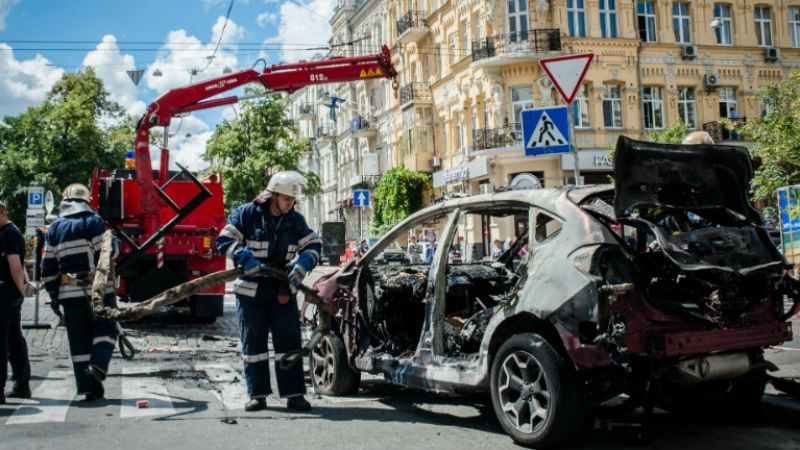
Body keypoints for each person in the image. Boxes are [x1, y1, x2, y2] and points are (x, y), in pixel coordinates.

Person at [216, 170, 321, 413]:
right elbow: (224, 240)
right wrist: (244, 258)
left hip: (282, 289)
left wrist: (303, 264)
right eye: (287, 199)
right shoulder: (247, 214)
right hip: (250, 292)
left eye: (293, 200)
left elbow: (313, 245)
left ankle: (294, 395)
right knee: (253, 343)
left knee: (289, 342)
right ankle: (258, 395)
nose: (291, 203)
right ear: (273, 196)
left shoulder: (295, 220)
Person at [41, 184, 120, 401]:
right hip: (98, 291)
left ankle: (88, 389)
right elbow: (107, 253)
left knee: (79, 340)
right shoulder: (94, 222)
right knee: (107, 328)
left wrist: (54, 295)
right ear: (86, 201)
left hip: (69, 293)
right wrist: (116, 243)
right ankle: (97, 366)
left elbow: (48, 267)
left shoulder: (55, 228)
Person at [0, 201, 32, 404]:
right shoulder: (10, 232)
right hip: (10, 293)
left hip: (5, 293)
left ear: (3, 213)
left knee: (4, 340)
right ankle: (21, 384)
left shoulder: (8, 234)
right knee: (13, 339)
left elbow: (16, 266)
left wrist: (22, 290)